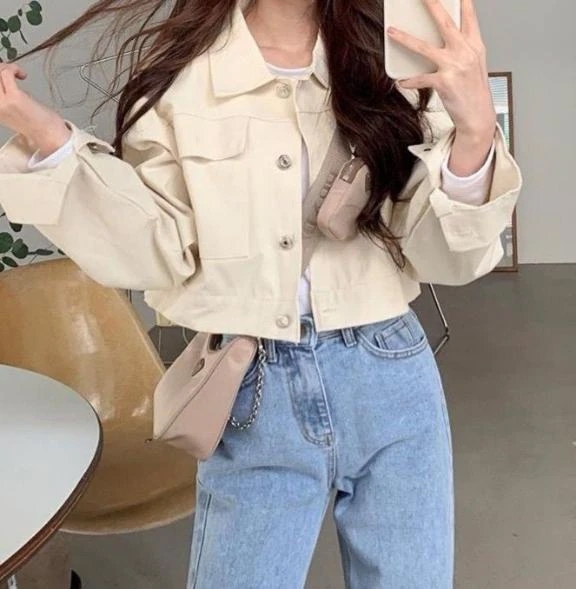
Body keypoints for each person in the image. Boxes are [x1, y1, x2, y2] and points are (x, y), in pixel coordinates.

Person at [0, 0, 522, 587]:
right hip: (254, 386)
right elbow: (158, 248)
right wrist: (41, 133)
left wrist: (476, 128)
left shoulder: (394, 60)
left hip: (390, 372)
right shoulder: (183, 75)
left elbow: (443, 253)